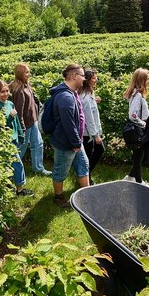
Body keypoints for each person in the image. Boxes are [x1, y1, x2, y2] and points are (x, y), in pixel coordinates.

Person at [47, 64, 90, 207]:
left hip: (75, 141)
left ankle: (87, 196)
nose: (84, 79)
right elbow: (68, 124)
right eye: (83, 76)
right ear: (74, 76)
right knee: (60, 170)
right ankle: (58, 197)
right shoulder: (65, 97)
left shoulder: (71, 93)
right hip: (67, 143)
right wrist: (76, 143)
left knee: (83, 166)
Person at [10, 63, 52, 176]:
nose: (29, 74)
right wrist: (22, 128)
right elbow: (19, 111)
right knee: (21, 149)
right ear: (20, 74)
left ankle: (38, 168)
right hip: (25, 124)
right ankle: (12, 170)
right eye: (26, 72)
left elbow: (32, 100)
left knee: (38, 144)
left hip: (32, 121)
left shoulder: (26, 85)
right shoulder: (18, 90)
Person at [0, 81, 33, 196]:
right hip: (7, 140)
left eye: (7, 91)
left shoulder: (10, 104)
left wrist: (20, 134)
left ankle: (7, 186)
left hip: (14, 137)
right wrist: (10, 117)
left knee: (9, 164)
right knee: (17, 164)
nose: (5, 94)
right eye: (2, 92)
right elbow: (2, 126)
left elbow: (16, 122)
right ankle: (20, 190)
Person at [122, 68, 149, 183]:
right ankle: (139, 182)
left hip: (139, 128)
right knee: (139, 156)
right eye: (147, 79)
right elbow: (133, 115)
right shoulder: (137, 95)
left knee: (140, 155)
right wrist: (143, 123)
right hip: (138, 129)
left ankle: (130, 177)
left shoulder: (136, 94)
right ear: (142, 80)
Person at [79, 69, 104, 182]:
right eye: (94, 78)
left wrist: (95, 100)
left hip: (90, 132)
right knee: (90, 156)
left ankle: (85, 175)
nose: (96, 80)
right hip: (87, 133)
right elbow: (89, 119)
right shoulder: (85, 98)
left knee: (92, 154)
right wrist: (96, 135)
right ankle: (85, 177)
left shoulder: (89, 94)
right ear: (88, 81)